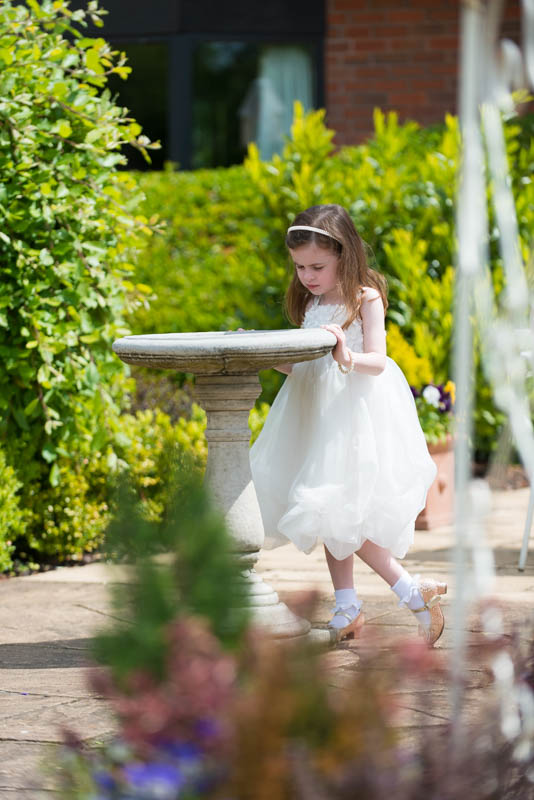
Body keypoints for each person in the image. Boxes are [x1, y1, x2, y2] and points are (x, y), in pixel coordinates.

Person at [249, 204, 447, 646]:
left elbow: (377, 360)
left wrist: (347, 356)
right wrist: (264, 354)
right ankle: (348, 606)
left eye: (317, 266)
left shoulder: (364, 298)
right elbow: (305, 369)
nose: (307, 276)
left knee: (336, 513)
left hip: (353, 419)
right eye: (300, 267)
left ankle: (413, 591)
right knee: (327, 516)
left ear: (344, 253)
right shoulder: (314, 303)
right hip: (315, 420)